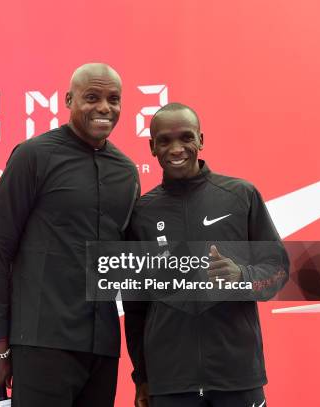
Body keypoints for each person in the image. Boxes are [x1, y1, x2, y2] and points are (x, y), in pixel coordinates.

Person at [0, 63, 140, 406]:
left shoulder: (126, 172)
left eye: (114, 99)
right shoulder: (33, 156)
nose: (104, 108)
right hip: (41, 343)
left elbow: (129, 266)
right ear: (68, 99)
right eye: (92, 97)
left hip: (102, 348)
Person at [123, 103, 289, 407]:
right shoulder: (141, 214)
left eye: (186, 137)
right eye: (164, 140)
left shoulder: (241, 196)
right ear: (151, 147)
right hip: (170, 383)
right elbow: (135, 308)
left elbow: (278, 269)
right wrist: (142, 377)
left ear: (201, 140)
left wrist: (242, 276)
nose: (176, 149)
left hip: (237, 377)